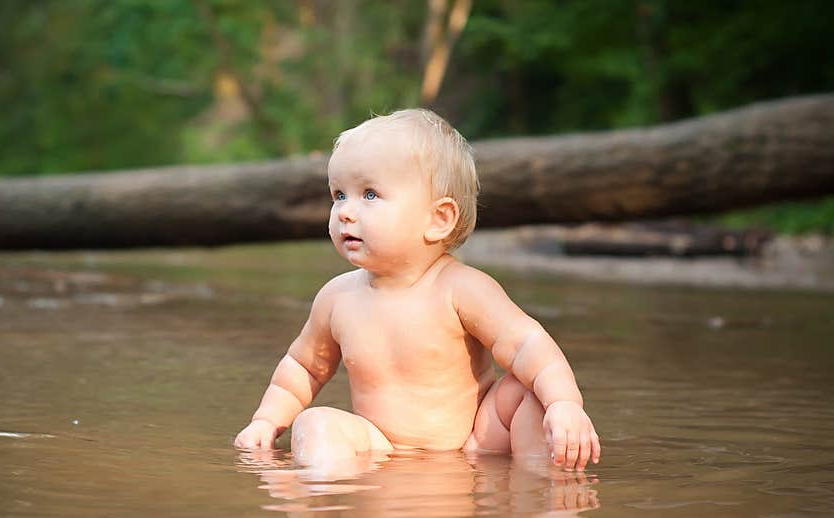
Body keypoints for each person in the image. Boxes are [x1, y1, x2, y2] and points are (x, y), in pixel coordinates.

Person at [234, 108, 601, 471]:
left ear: (438, 219)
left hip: (478, 441)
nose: (345, 211)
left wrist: (564, 403)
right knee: (315, 424)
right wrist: (266, 422)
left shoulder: (461, 288)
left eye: (370, 194)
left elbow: (527, 345)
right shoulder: (337, 298)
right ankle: (336, 500)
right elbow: (303, 367)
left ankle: (541, 490)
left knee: (529, 392)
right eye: (339, 194)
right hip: (379, 445)